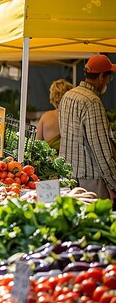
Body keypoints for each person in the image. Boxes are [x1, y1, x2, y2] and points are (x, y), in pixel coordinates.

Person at [59, 54, 116, 200]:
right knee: (95, 220)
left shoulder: (68, 96)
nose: (109, 81)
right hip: (90, 180)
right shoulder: (92, 102)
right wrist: (113, 184)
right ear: (102, 76)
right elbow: (101, 151)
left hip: (67, 175)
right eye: (110, 77)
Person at [36, 79, 73, 152]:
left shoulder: (46, 117)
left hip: (49, 161)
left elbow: (37, 143)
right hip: (71, 161)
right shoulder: (74, 117)